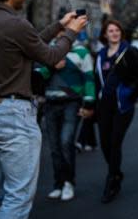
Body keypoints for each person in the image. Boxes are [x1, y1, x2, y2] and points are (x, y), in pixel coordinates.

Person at [0, 0, 87, 219]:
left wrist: (59, 26)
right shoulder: (15, 24)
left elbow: (29, 42)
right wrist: (71, 32)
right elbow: (50, 56)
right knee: (18, 196)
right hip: (13, 116)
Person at [35, 30, 95, 201]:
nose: (62, 34)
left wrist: (89, 102)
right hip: (51, 103)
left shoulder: (82, 52)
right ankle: (58, 183)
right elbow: (40, 75)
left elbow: (89, 79)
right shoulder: (49, 51)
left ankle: (69, 182)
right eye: (60, 31)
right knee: (54, 147)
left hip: (71, 103)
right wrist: (52, 65)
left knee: (66, 142)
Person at [95, 19, 138, 203]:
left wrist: (130, 93)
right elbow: (97, 80)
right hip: (104, 105)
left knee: (115, 143)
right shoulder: (100, 55)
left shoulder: (130, 51)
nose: (114, 33)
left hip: (122, 105)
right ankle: (116, 173)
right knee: (104, 143)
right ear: (105, 34)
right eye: (110, 31)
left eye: (117, 30)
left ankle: (111, 183)